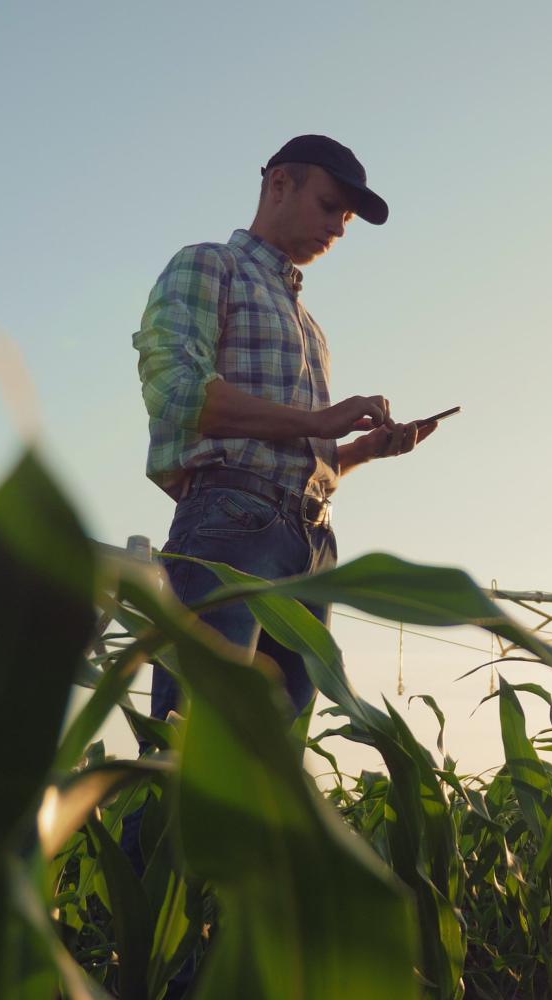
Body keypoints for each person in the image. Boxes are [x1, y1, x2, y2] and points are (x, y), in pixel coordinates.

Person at [132, 134, 437, 729]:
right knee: (191, 749)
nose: (340, 230)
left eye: (347, 218)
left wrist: (360, 452)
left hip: (311, 541)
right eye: (330, 207)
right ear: (279, 185)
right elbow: (174, 392)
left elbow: (288, 453)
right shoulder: (208, 265)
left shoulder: (310, 325)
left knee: (273, 772)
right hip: (230, 526)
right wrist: (317, 421)